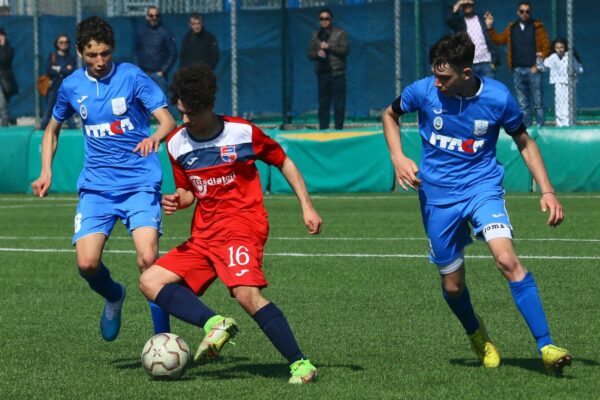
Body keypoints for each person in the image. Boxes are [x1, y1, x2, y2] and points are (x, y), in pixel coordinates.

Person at [381, 32, 571, 374]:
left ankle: (547, 346)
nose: (436, 83)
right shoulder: (423, 91)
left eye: (445, 77)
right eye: (435, 75)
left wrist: (547, 190)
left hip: (482, 189)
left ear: (466, 73)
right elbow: (389, 115)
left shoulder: (498, 98)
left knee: (506, 259)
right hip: (437, 197)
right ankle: (478, 335)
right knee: (453, 286)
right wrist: (397, 156)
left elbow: (524, 142)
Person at [138, 64, 323, 384]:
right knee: (150, 281)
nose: (184, 121)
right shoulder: (177, 143)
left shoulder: (242, 133)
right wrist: (177, 200)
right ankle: (215, 324)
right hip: (204, 233)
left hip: (243, 225)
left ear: (209, 106)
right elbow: (187, 192)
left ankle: (300, 364)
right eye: (180, 112)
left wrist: (307, 207)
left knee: (245, 294)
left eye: (190, 114)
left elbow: (284, 161)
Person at [31, 16, 176, 342]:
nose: (100, 61)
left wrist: (156, 136)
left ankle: (163, 340)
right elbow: (52, 130)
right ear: (80, 51)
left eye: (106, 54)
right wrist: (46, 171)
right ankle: (114, 296)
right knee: (87, 264)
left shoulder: (131, 76)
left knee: (149, 259)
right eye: (93, 55)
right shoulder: (71, 86)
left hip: (139, 183)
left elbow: (167, 120)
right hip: (97, 189)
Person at [485, 2, 550, 126]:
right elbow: (498, 40)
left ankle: (541, 127)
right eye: (522, 11)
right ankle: (526, 127)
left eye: (527, 11)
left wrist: (538, 66)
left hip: (533, 70)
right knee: (523, 104)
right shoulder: (512, 27)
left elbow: (546, 47)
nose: (524, 14)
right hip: (518, 70)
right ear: (517, 12)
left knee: (538, 103)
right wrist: (489, 27)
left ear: (530, 13)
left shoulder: (537, 27)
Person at [307, 8, 349, 130]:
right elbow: (310, 53)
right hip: (323, 74)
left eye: (326, 18)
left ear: (331, 20)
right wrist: (317, 54)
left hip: (337, 73)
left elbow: (345, 50)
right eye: (321, 19)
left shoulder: (340, 33)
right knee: (323, 105)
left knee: (339, 105)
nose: (324, 21)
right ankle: (323, 129)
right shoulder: (316, 35)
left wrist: (329, 47)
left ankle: (339, 129)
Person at [445, 0, 498, 78]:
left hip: (486, 63)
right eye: (465, 4)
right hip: (469, 64)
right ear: (462, 7)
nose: (467, 6)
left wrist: (494, 63)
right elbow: (449, 19)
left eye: (469, 3)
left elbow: (491, 39)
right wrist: (459, 3)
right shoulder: (460, 23)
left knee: (488, 89)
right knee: (471, 89)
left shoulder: (483, 19)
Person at [133, 6, 177, 96]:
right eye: (151, 15)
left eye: (156, 16)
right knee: (143, 104)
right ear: (147, 17)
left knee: (162, 105)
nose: (154, 18)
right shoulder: (141, 32)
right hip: (144, 75)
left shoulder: (165, 32)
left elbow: (173, 53)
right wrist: (139, 70)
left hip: (159, 76)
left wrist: (163, 71)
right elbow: (135, 51)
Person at [543, 37, 583, 127]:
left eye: (561, 47)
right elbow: (545, 65)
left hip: (570, 83)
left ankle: (570, 123)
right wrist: (539, 58)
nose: (559, 50)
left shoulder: (570, 56)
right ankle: (560, 124)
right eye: (557, 47)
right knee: (559, 104)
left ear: (565, 47)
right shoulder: (553, 57)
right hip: (558, 83)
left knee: (570, 103)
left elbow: (579, 69)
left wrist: (573, 70)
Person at [40, 34, 77, 130]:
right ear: (57, 44)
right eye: (61, 42)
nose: (64, 44)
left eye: (66, 42)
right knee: (49, 109)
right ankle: (42, 128)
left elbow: (71, 71)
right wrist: (64, 69)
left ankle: (72, 130)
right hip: (54, 87)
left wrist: (57, 68)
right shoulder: (52, 56)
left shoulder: (71, 57)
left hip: (67, 87)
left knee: (68, 109)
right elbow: (49, 70)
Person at [0, 27, 17, 126]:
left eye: (1, 35)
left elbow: (4, 59)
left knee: (3, 105)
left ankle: (4, 128)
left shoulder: (8, 49)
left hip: (4, 82)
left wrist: (2, 45)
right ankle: (10, 120)